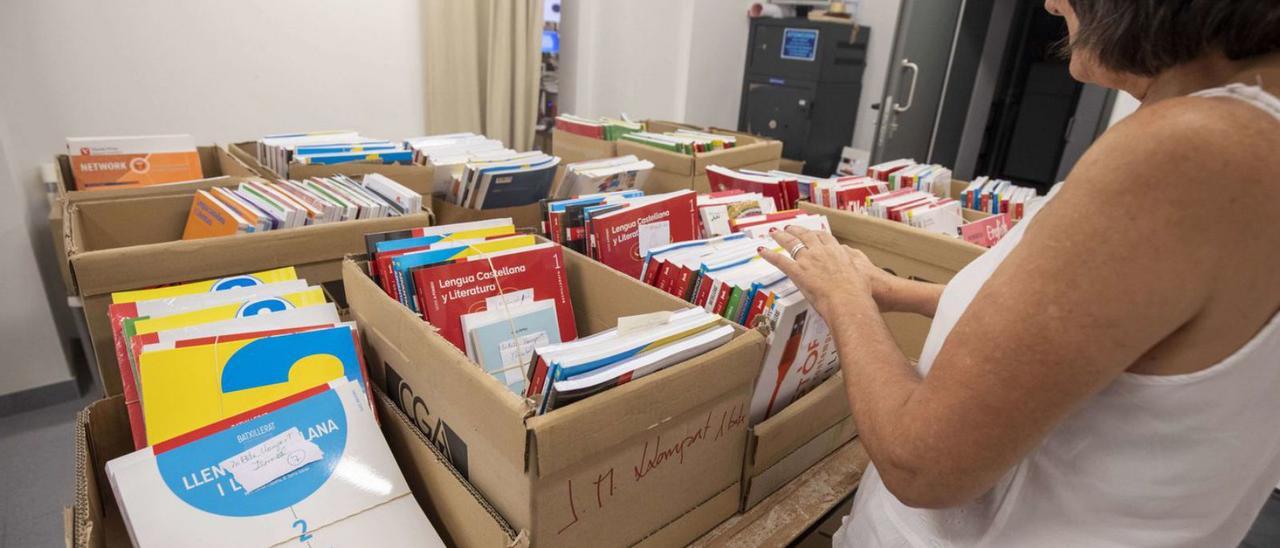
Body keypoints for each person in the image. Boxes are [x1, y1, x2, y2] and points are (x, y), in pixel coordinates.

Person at [758, 0, 1280, 545]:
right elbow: (1111, 335)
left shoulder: (1191, 152)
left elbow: (920, 464)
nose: (1052, 3)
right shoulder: (1248, 133)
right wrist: (901, 292)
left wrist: (845, 299)